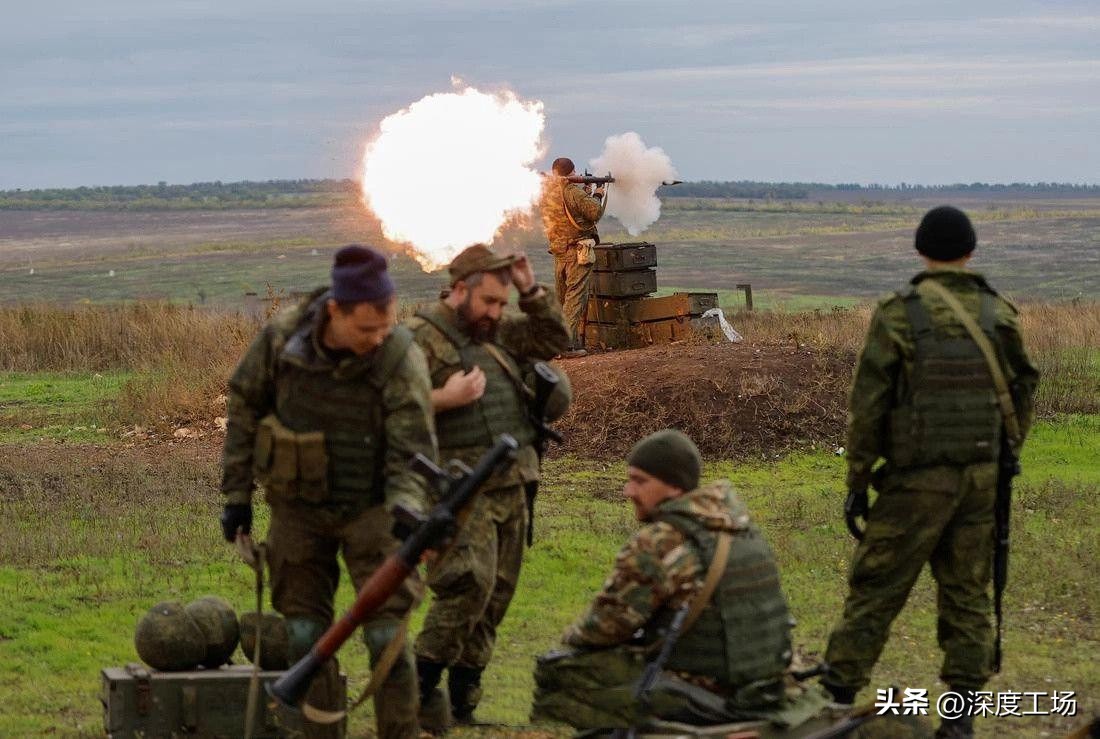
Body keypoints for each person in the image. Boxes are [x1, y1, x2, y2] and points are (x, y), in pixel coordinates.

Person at [821, 206, 1040, 739]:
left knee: (876, 588)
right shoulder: (998, 313)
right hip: (982, 481)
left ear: (920, 250)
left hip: (916, 482)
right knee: (968, 595)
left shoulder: (899, 314)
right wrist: (1004, 453)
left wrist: (857, 481)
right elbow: (1024, 386)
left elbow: (868, 406)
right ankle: (959, 723)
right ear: (971, 251)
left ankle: (831, 704)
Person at [219, 244, 437, 739]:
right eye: (366, 329)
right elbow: (244, 409)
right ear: (335, 310)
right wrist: (236, 496)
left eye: (385, 326)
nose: (377, 338)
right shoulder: (282, 340)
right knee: (303, 634)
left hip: (374, 508)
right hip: (298, 509)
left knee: (386, 636)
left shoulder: (399, 355)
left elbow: (413, 449)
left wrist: (408, 507)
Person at [532, 429, 807, 729]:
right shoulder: (741, 528)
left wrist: (571, 640)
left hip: (710, 692)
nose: (628, 491)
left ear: (674, 486)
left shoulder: (661, 542)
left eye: (640, 481)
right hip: (769, 684)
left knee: (559, 668)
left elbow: (601, 629)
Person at [405, 243, 570, 729]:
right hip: (459, 488)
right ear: (460, 290)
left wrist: (529, 289)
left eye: (502, 303)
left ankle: (463, 703)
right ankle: (414, 692)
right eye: (489, 302)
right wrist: (443, 397)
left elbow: (554, 338)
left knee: (498, 592)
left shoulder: (497, 331)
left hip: (514, 480)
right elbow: (384, 406)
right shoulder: (418, 338)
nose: (497, 312)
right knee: (467, 585)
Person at [539, 156, 607, 357]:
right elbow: (594, 212)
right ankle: (565, 345)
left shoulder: (548, 192)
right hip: (576, 251)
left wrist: (584, 191)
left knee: (561, 299)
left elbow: (570, 211)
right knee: (575, 297)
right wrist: (598, 194)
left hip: (559, 251)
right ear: (571, 172)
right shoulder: (571, 191)